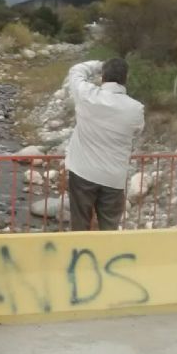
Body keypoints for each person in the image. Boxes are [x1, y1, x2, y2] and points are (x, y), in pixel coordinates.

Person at [64, 58, 145, 231]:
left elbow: (76, 71)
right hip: (114, 178)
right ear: (126, 78)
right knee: (109, 228)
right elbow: (137, 131)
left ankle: (80, 249)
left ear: (103, 76)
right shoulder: (136, 109)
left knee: (80, 225)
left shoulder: (87, 95)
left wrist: (98, 65)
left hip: (83, 173)